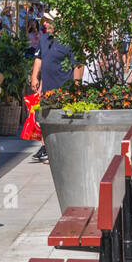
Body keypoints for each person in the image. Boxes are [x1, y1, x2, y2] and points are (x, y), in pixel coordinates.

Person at [29, 9, 81, 163]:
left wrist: (76, 87)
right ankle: (48, 150)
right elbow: (38, 59)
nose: (45, 23)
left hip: (64, 87)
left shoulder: (71, 40)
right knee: (45, 120)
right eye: (45, 20)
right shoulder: (44, 39)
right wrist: (34, 77)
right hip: (47, 88)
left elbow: (78, 64)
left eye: (48, 21)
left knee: (62, 121)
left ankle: (62, 152)